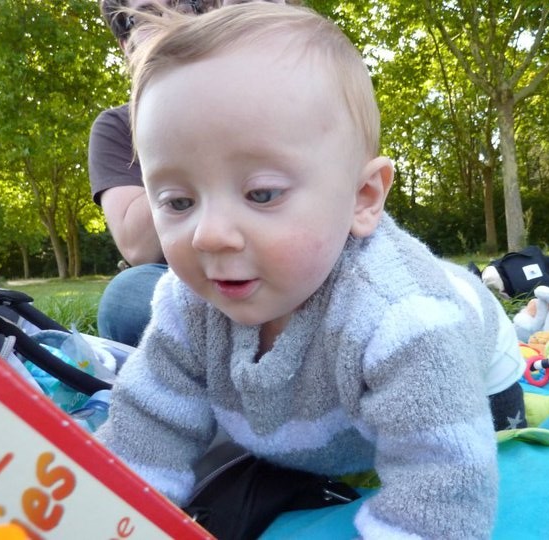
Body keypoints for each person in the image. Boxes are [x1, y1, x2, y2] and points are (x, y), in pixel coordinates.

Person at [97, 4, 522, 537]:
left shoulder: (404, 319)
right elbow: (147, 427)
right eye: (179, 202)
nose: (209, 234)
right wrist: (109, 516)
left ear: (363, 197)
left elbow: (443, 487)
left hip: (475, 379)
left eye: (261, 193)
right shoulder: (187, 306)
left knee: (503, 467)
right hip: (327, 424)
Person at [90, 0, 301, 347]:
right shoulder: (115, 127)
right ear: (126, 45)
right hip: (187, 285)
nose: (172, 19)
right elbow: (137, 247)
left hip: (286, 265)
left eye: (184, 3)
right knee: (126, 299)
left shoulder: (260, 92)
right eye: (146, 14)